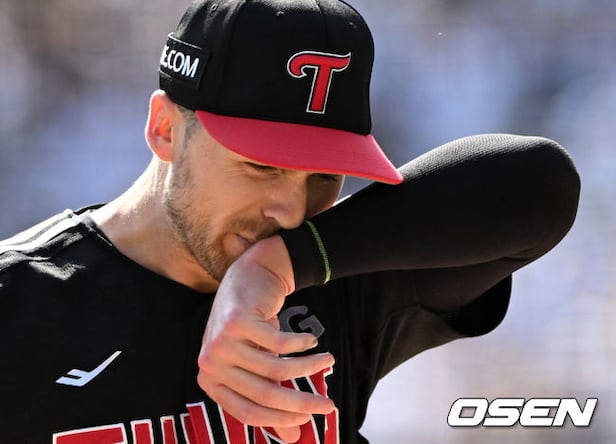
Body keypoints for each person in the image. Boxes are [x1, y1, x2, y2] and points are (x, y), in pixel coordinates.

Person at [0, 0, 580, 443]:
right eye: (261, 166)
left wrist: (275, 267)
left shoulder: (333, 269)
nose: (292, 211)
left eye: (325, 175)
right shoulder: (18, 301)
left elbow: (541, 184)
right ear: (165, 129)